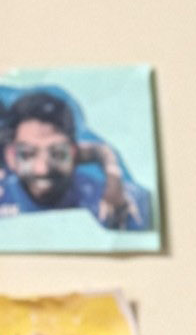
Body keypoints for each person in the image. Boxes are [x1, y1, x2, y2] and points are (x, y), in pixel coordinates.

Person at [0, 89, 152, 231]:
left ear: (73, 153)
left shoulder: (108, 201)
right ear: (10, 156)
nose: (42, 169)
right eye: (27, 154)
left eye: (58, 154)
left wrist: (115, 185)